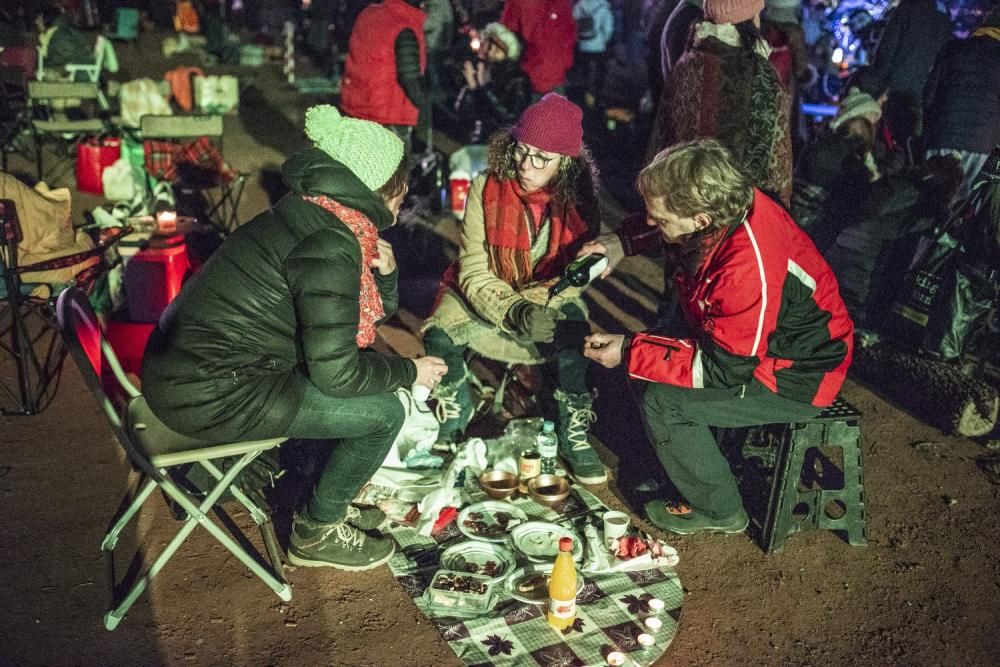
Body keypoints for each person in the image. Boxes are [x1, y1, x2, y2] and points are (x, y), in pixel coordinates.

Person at [142, 105, 448, 570]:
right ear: (380, 190)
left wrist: (386, 274)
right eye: (401, 192)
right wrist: (409, 372)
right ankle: (316, 532)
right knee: (384, 412)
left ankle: (311, 495)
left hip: (185, 372)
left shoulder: (312, 212)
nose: (403, 203)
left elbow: (346, 320)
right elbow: (338, 372)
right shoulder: (331, 242)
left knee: (357, 390)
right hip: (210, 395)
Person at [582, 140, 854, 534]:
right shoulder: (727, 209)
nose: (652, 222)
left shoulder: (746, 265)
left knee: (663, 401)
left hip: (793, 375)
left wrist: (629, 349)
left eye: (659, 219)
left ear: (700, 220)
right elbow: (673, 225)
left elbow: (725, 368)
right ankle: (676, 462)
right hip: (758, 349)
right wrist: (623, 242)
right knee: (652, 358)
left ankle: (720, 509)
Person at [422, 93, 608, 485]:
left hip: (547, 294)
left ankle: (572, 431)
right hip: (485, 292)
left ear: (566, 162)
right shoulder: (485, 187)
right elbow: (473, 269)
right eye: (523, 150)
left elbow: (574, 276)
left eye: (542, 157)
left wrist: (535, 303)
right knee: (439, 331)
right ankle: (454, 413)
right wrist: (512, 310)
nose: (527, 165)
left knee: (576, 333)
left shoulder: (582, 202)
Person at [647, 0, 793, 206]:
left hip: (684, 197)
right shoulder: (758, 72)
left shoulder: (687, 63)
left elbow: (663, 133)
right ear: (747, 20)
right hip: (732, 203)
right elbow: (775, 152)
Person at [922, 7, 1000, 203]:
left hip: (942, 134)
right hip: (982, 142)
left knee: (929, 199)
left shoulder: (953, 48)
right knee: (963, 208)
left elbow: (929, 95)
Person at [339, 0, 428, 151]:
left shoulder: (368, 13)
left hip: (355, 108)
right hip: (388, 117)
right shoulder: (403, 26)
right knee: (393, 172)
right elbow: (409, 78)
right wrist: (426, 104)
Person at [454, 21, 531, 143]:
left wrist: (484, 88)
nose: (487, 51)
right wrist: (472, 88)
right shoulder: (485, 70)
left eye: (492, 46)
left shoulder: (518, 80)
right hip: (479, 140)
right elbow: (464, 117)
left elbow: (511, 118)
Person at [500, 0, 577, 98]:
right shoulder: (561, 3)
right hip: (551, 74)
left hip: (531, 76)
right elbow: (570, 34)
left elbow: (504, 35)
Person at [572, 0, 615, 108]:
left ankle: (585, 92)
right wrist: (603, 41)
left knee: (585, 69)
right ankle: (597, 94)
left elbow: (573, 24)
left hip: (582, 44)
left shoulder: (578, 6)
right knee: (601, 70)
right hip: (598, 46)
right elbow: (608, 28)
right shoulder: (603, 7)